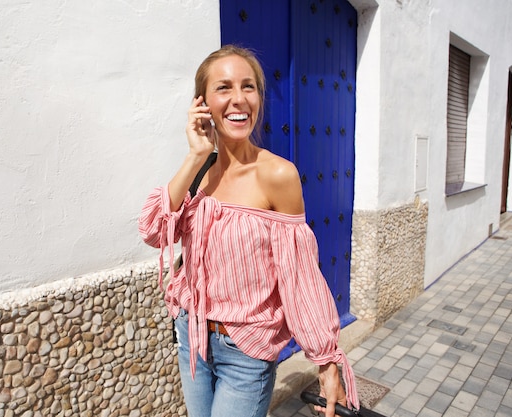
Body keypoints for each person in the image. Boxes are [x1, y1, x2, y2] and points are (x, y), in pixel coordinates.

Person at [139, 45, 359, 417]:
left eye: (249, 87)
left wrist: (326, 361)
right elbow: (154, 231)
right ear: (203, 102)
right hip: (191, 336)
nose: (238, 99)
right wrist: (194, 156)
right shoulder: (199, 171)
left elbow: (300, 277)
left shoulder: (277, 175)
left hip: (246, 351)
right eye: (223, 87)